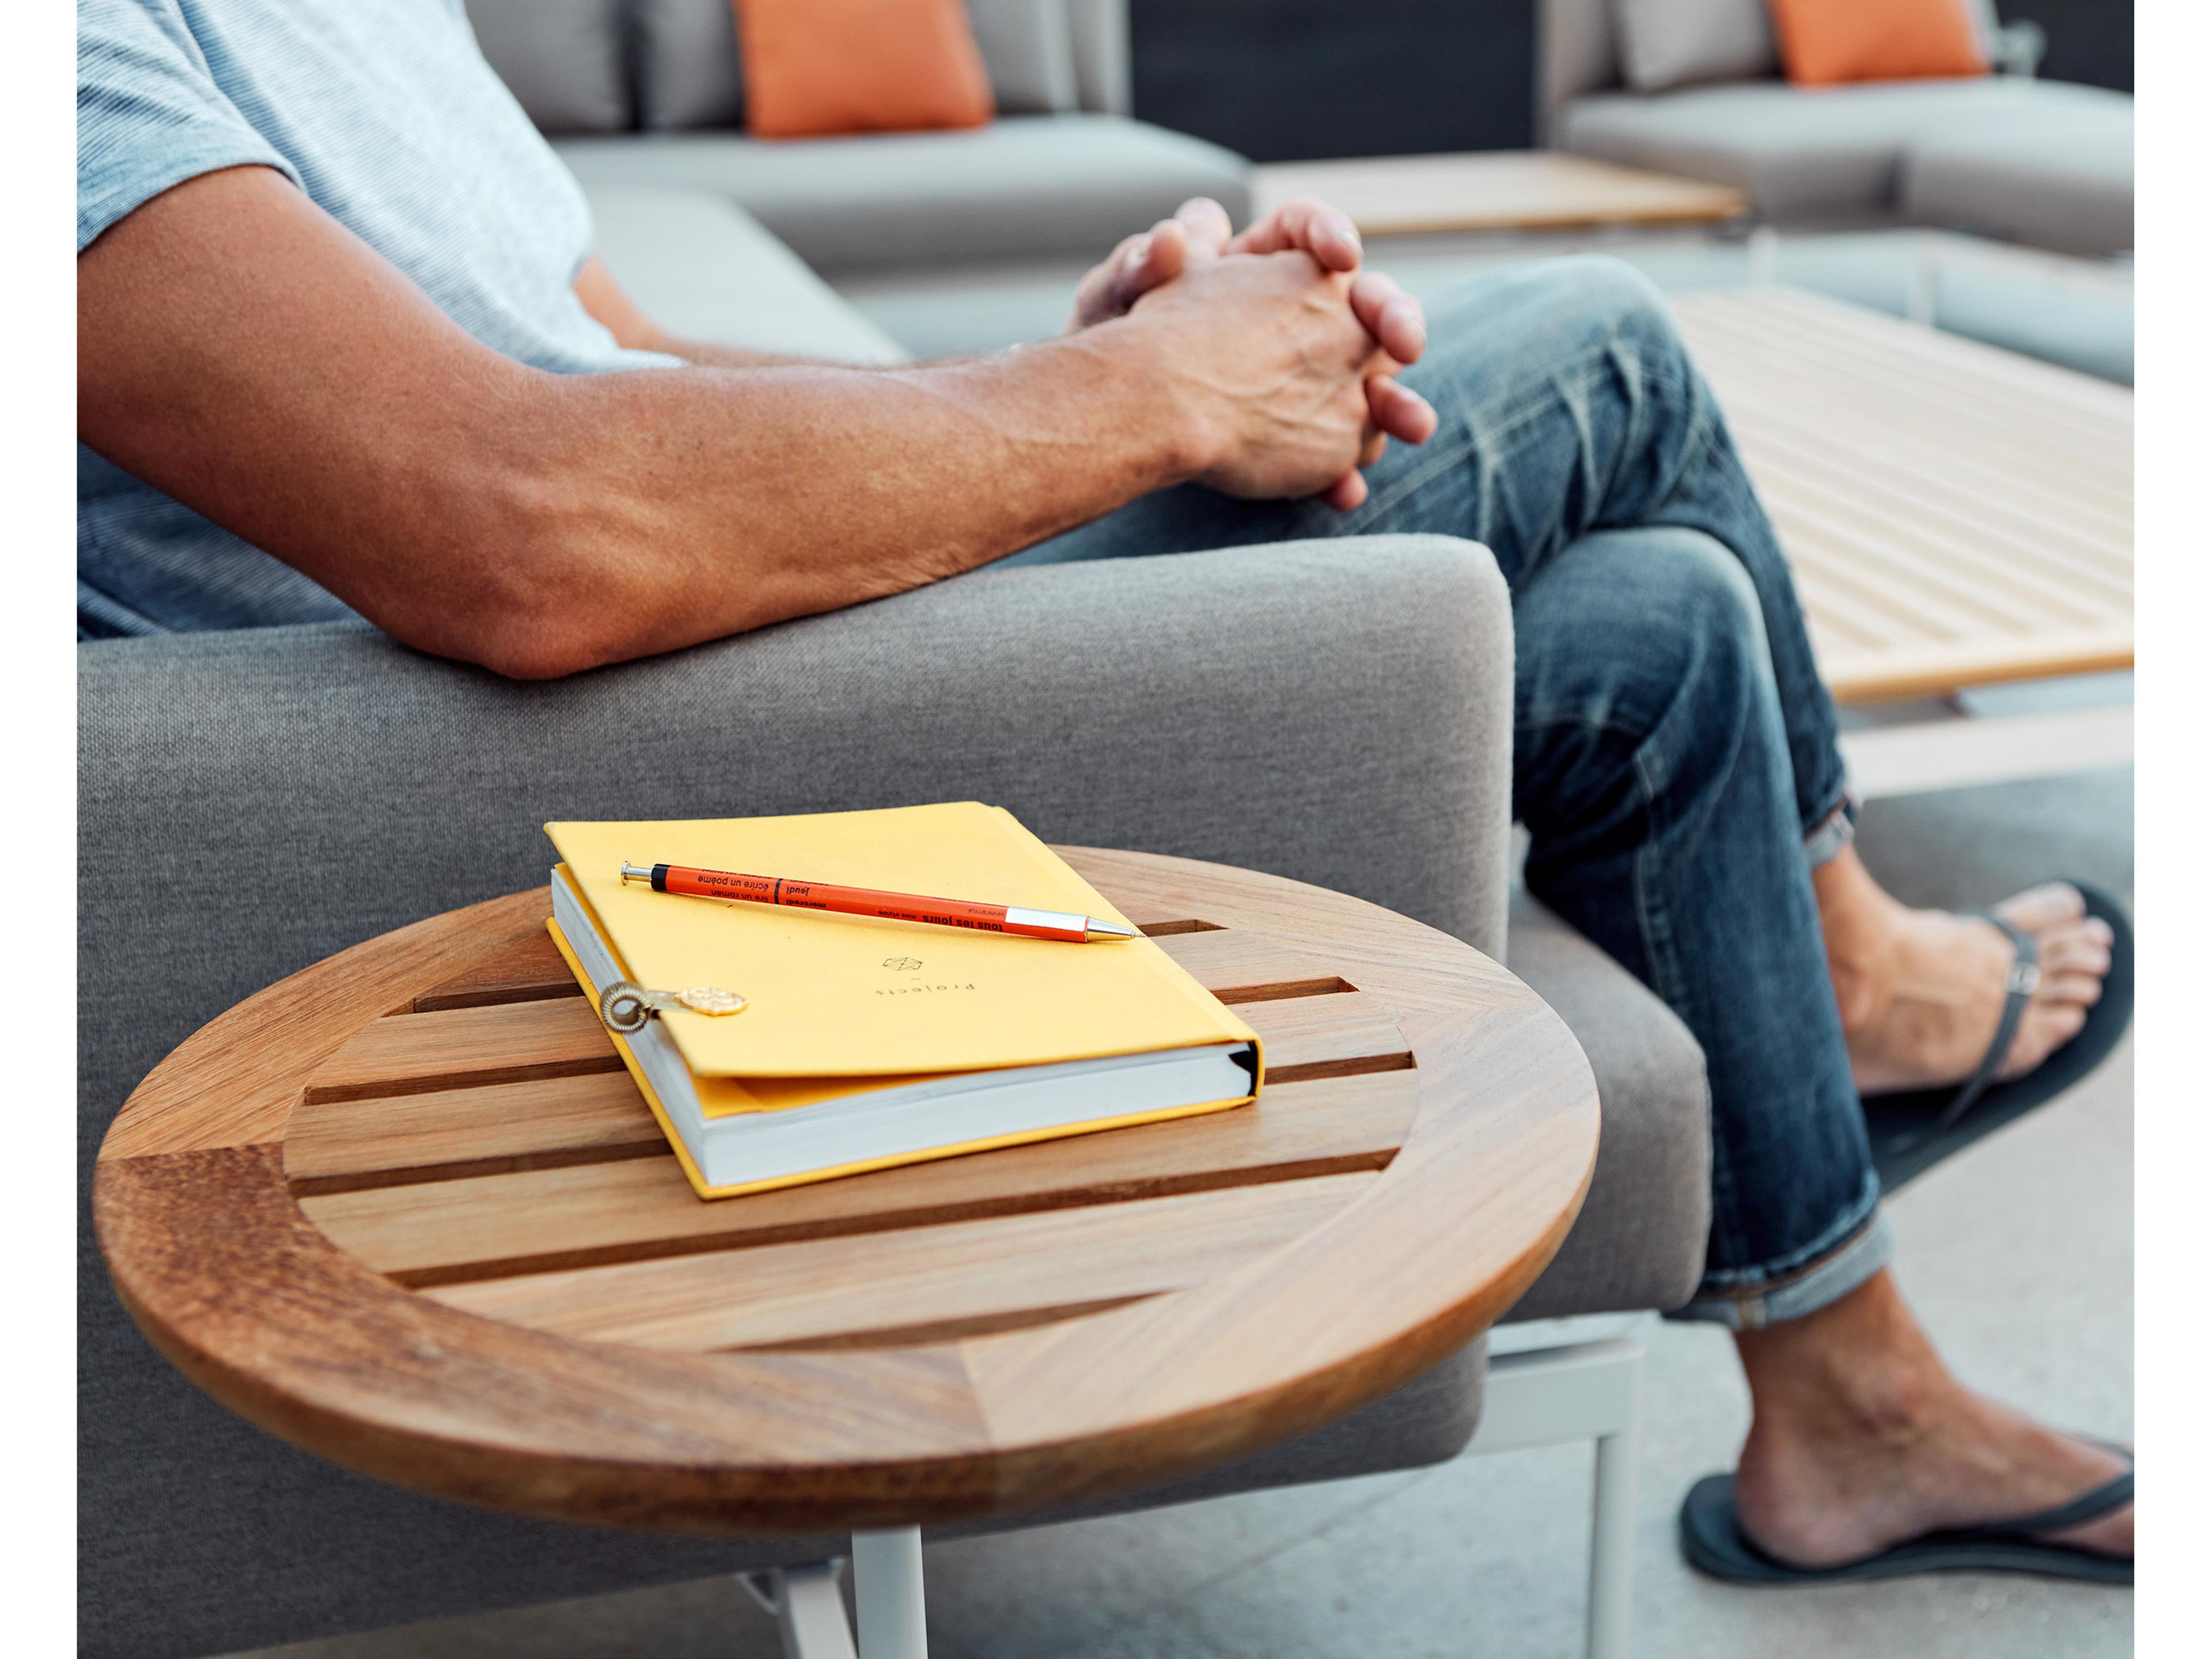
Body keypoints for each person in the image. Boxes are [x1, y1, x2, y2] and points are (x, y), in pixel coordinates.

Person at [78, 0, 2131, 1580]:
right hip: (611, 761)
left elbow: (614, 365)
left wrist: (1068, 409)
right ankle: (1861, 979)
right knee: (1606, 350)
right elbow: (511, 525)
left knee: (1655, 625)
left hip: (720, 627)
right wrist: (1151, 398)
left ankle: (1848, 1414)